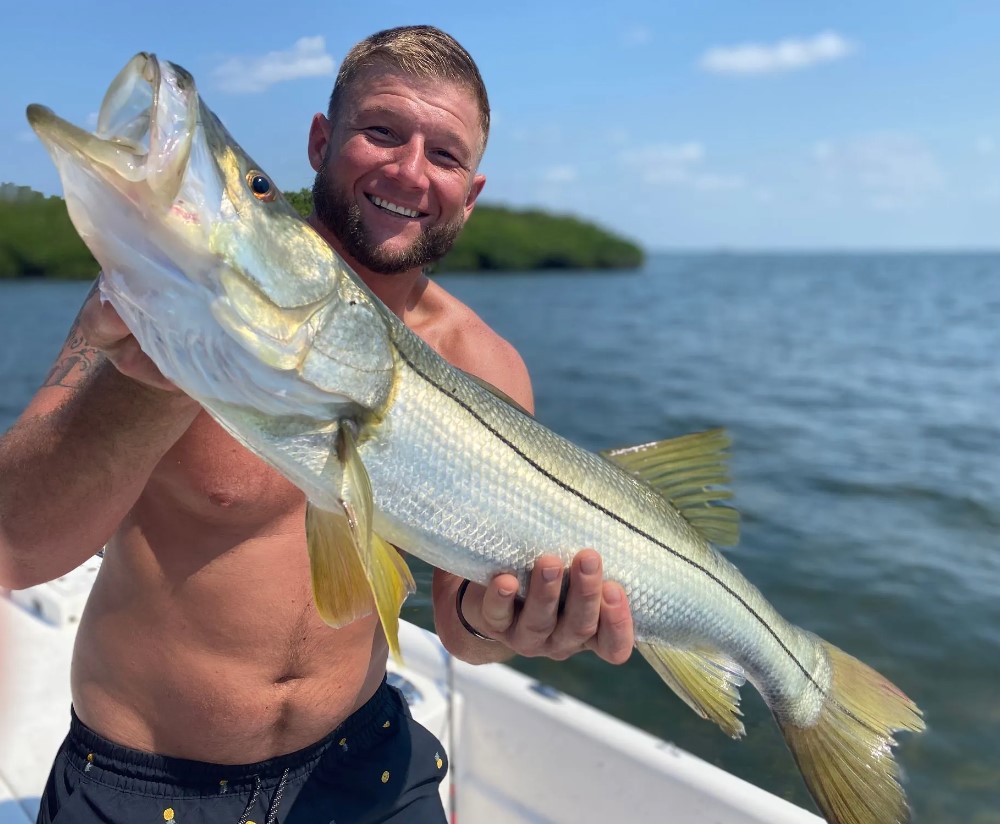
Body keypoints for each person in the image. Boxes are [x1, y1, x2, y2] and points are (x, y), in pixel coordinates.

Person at [0, 25, 635, 824]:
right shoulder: (149, 306)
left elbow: (463, 629)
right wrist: (158, 381)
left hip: (367, 767)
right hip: (145, 783)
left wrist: (512, 621)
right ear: (319, 141)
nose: (409, 170)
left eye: (444, 154)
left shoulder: (488, 365)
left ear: (469, 195)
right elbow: (12, 547)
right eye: (381, 131)